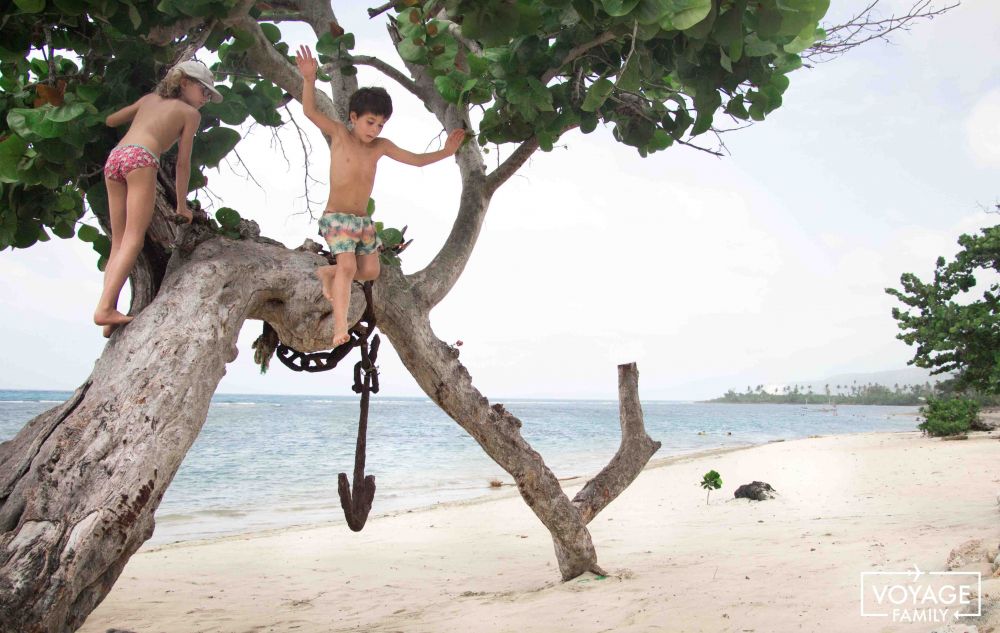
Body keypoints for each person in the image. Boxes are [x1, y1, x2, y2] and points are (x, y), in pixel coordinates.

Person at [294, 45, 465, 347]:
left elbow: (416, 160)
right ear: (354, 117)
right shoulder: (339, 133)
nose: (374, 130)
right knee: (348, 268)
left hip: (362, 221)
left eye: (380, 125)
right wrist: (309, 79)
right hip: (337, 218)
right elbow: (309, 111)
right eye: (370, 122)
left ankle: (326, 272)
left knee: (370, 270)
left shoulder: (380, 146)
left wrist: (447, 152)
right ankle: (339, 327)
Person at [93, 60, 222, 336]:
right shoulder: (189, 113)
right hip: (141, 159)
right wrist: (181, 205)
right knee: (133, 238)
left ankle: (108, 310)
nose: (206, 98)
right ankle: (104, 308)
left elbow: (111, 120)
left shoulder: (150, 99)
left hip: (116, 157)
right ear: (184, 82)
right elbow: (183, 164)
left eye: (210, 95)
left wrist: (139, 113)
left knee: (118, 241)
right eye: (204, 90)